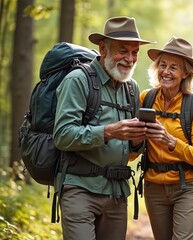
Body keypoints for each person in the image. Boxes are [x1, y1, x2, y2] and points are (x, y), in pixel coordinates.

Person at [53, 16, 155, 240]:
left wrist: (139, 140)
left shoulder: (131, 88)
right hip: (79, 190)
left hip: (117, 194)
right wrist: (109, 131)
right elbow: (62, 135)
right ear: (103, 48)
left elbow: (130, 153)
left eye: (135, 52)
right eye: (122, 50)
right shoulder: (78, 81)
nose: (130, 59)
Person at [140, 36, 193, 240]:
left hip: (187, 187)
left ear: (185, 73)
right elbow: (132, 150)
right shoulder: (146, 98)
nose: (166, 72)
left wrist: (170, 142)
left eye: (173, 67)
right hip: (154, 187)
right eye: (163, 65)